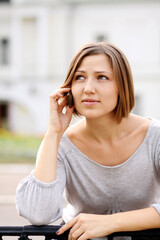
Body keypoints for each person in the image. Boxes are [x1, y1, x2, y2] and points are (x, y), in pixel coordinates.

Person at [16, 42, 160, 240]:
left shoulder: (155, 137)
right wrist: (53, 133)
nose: (88, 88)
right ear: (69, 88)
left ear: (122, 85)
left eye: (102, 77)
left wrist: (111, 223)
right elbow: (38, 213)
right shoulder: (62, 144)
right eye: (80, 77)